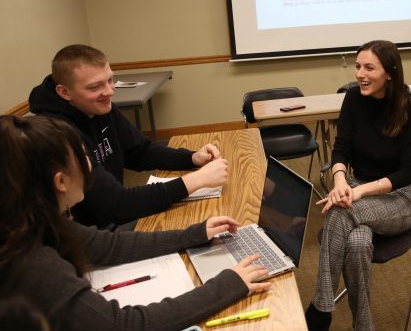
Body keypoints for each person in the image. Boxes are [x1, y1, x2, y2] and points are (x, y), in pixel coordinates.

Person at [0, 115, 271, 330]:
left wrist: (195, 233)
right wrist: (228, 284)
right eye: (83, 156)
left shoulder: (29, 218)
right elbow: (123, 325)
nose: (90, 163)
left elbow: (107, 245)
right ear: (60, 181)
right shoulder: (30, 262)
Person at [28, 44, 228, 228]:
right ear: (64, 92)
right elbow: (115, 204)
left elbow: (141, 151)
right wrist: (196, 181)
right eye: (95, 87)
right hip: (94, 232)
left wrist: (191, 157)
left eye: (110, 80)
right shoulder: (57, 134)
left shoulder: (100, 108)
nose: (109, 91)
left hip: (113, 217)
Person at [305, 40, 411, 331]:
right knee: (358, 243)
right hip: (357, 191)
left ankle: (321, 306)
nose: (360, 73)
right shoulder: (352, 99)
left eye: (369, 67)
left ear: (390, 73)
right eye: (358, 66)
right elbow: (341, 150)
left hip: (400, 198)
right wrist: (339, 182)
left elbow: (409, 172)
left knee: (339, 212)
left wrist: (356, 191)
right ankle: (364, 326)